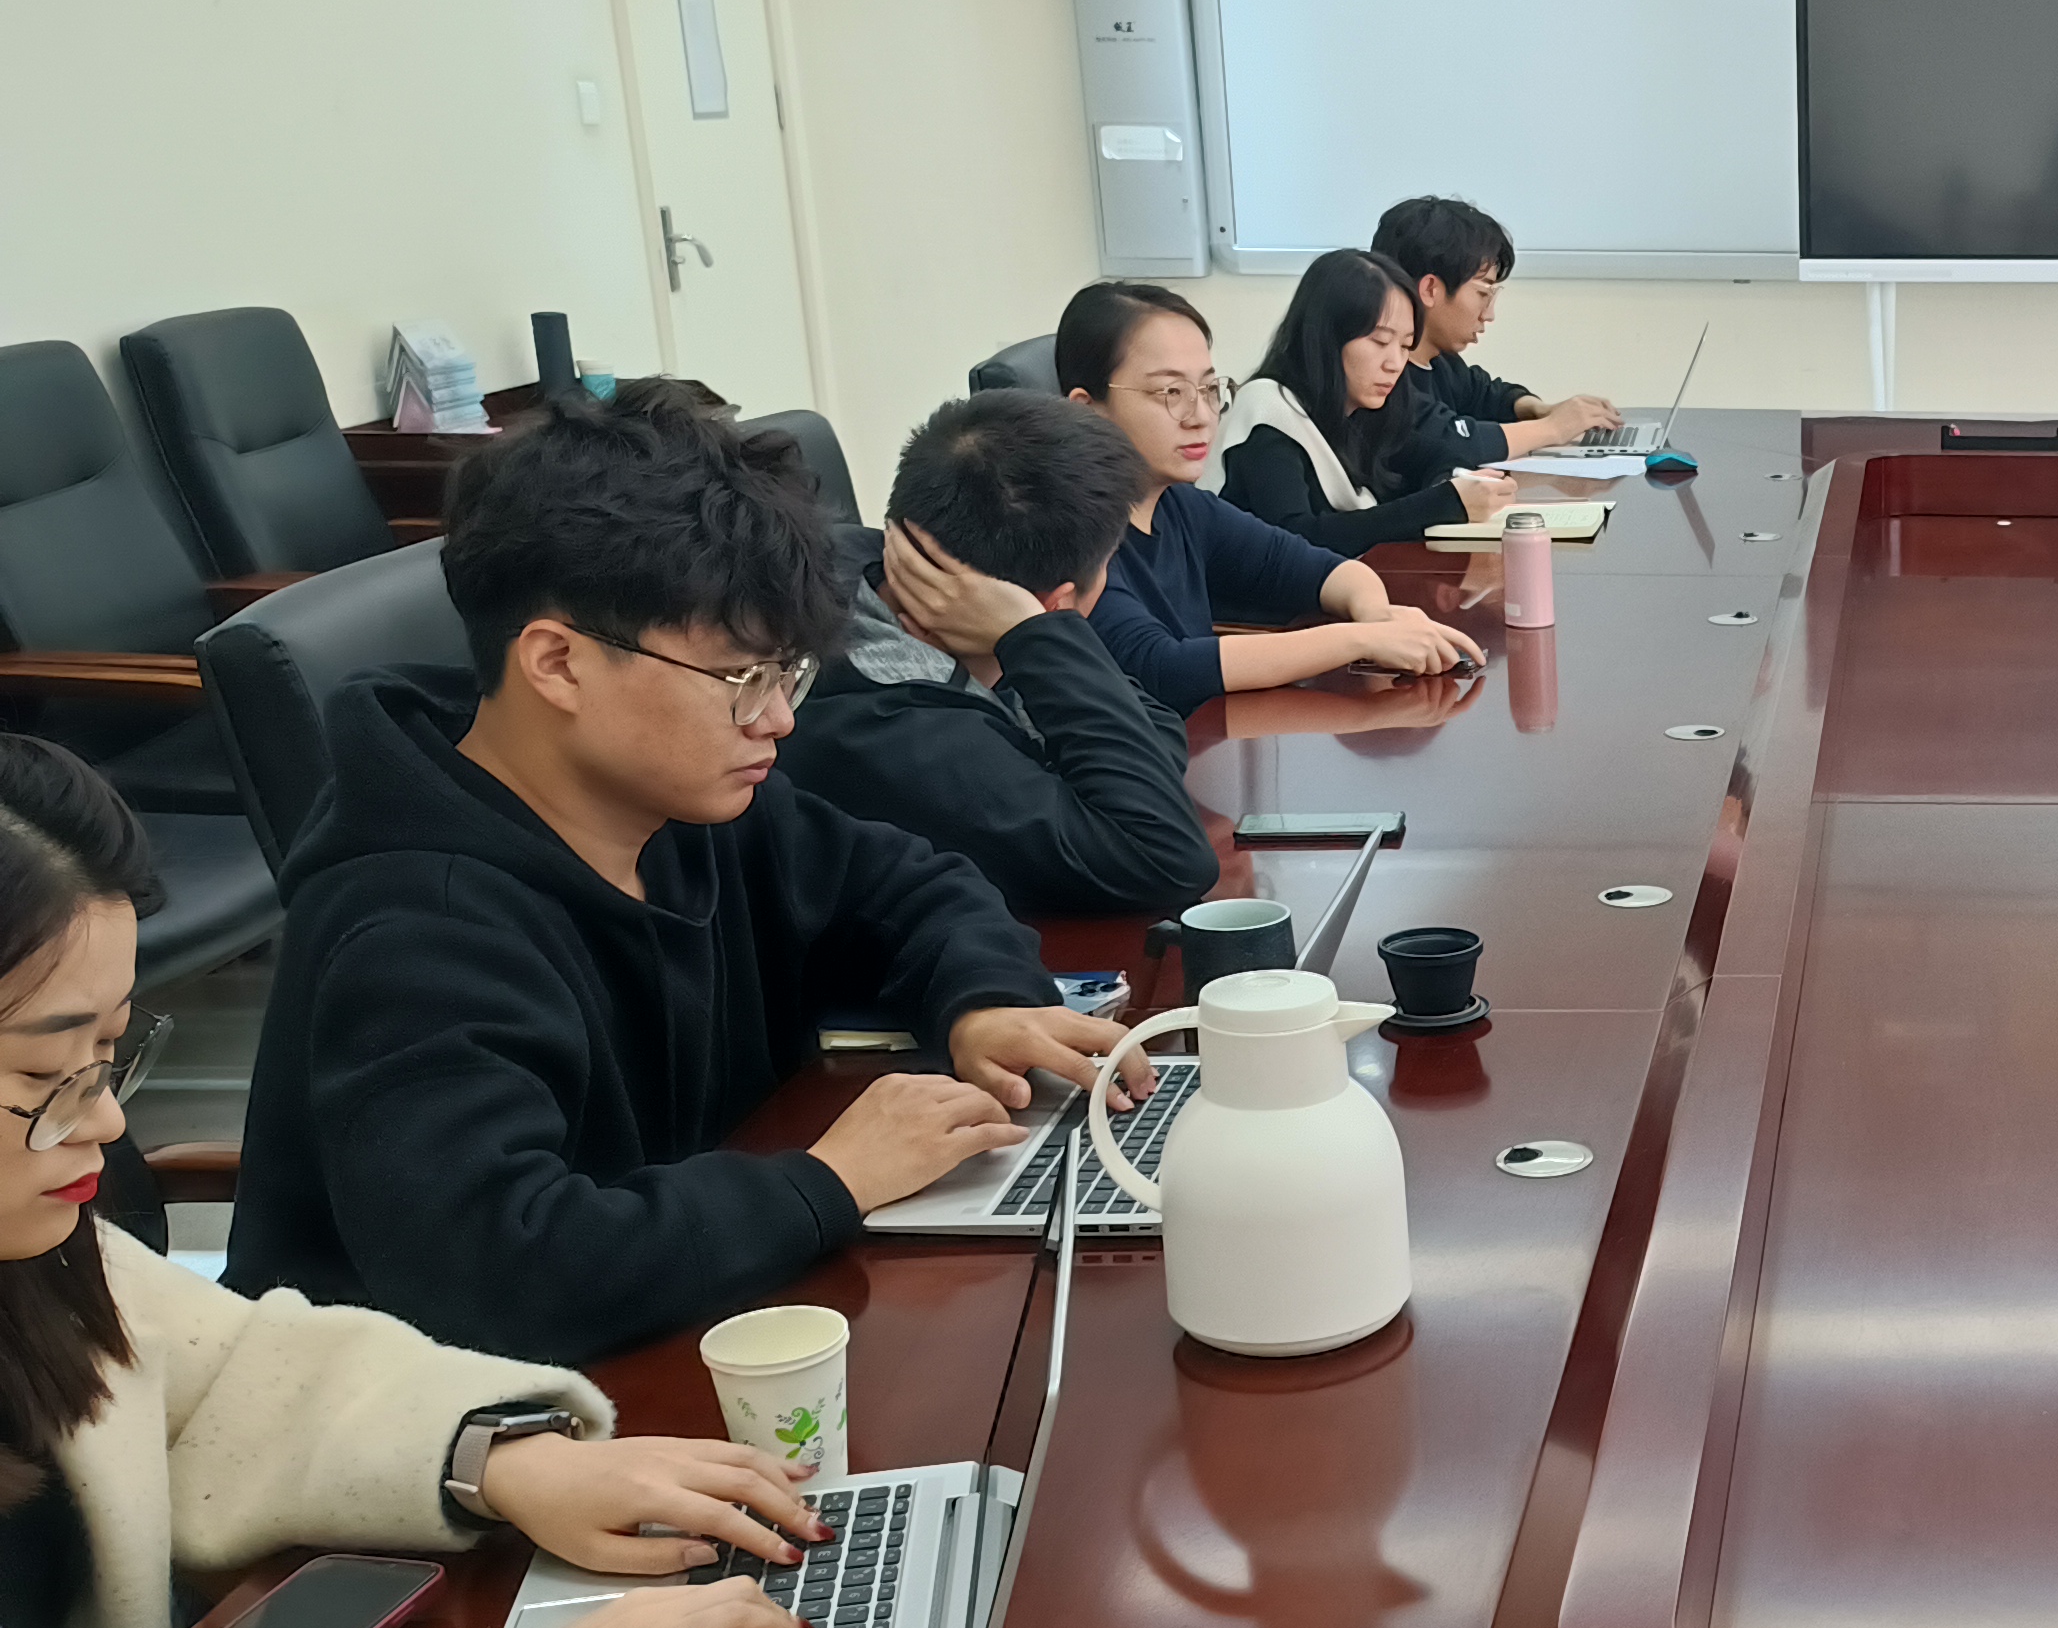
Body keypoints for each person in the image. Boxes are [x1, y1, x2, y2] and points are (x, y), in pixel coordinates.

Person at [0, 737, 828, 1628]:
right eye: (44, 1074)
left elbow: (226, 1372)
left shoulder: (42, 1251)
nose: (104, 1121)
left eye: (112, 1053)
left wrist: (507, 1457)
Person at [226, 384, 1142, 1366]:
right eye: (743, 680)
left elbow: (910, 885)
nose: (778, 718)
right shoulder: (414, 931)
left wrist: (983, 1003)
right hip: (432, 1422)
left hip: (676, 1334)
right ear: (558, 663)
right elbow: (503, 1272)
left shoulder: (672, 803)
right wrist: (830, 1180)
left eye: (788, 674)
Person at [778, 391, 1221, 918]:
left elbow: (1157, 727)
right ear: (1057, 604)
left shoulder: (868, 567)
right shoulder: (890, 728)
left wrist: (1030, 639)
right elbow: (1165, 858)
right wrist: (1035, 635)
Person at [1059, 281, 1481, 716]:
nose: (1201, 417)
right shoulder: (1069, 538)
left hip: (1200, 740)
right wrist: (1362, 640)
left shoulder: (1181, 504)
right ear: (1085, 409)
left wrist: (1378, 617)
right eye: (1171, 393)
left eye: (1208, 389)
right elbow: (1163, 668)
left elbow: (1319, 568)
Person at [1219, 248, 1518, 558]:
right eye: (1380, 341)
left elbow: (1435, 455)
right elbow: (1296, 539)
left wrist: (1452, 482)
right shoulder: (1269, 412)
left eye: (1405, 345)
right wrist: (1445, 502)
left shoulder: (1365, 404)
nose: (1395, 364)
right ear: (1327, 336)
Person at [1361, 196, 1623, 493]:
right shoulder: (1382, 379)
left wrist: (1540, 409)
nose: (1489, 315)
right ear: (1431, 289)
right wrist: (1553, 428)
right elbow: (1453, 442)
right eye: (1483, 293)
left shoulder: (1439, 361)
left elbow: (1485, 395)